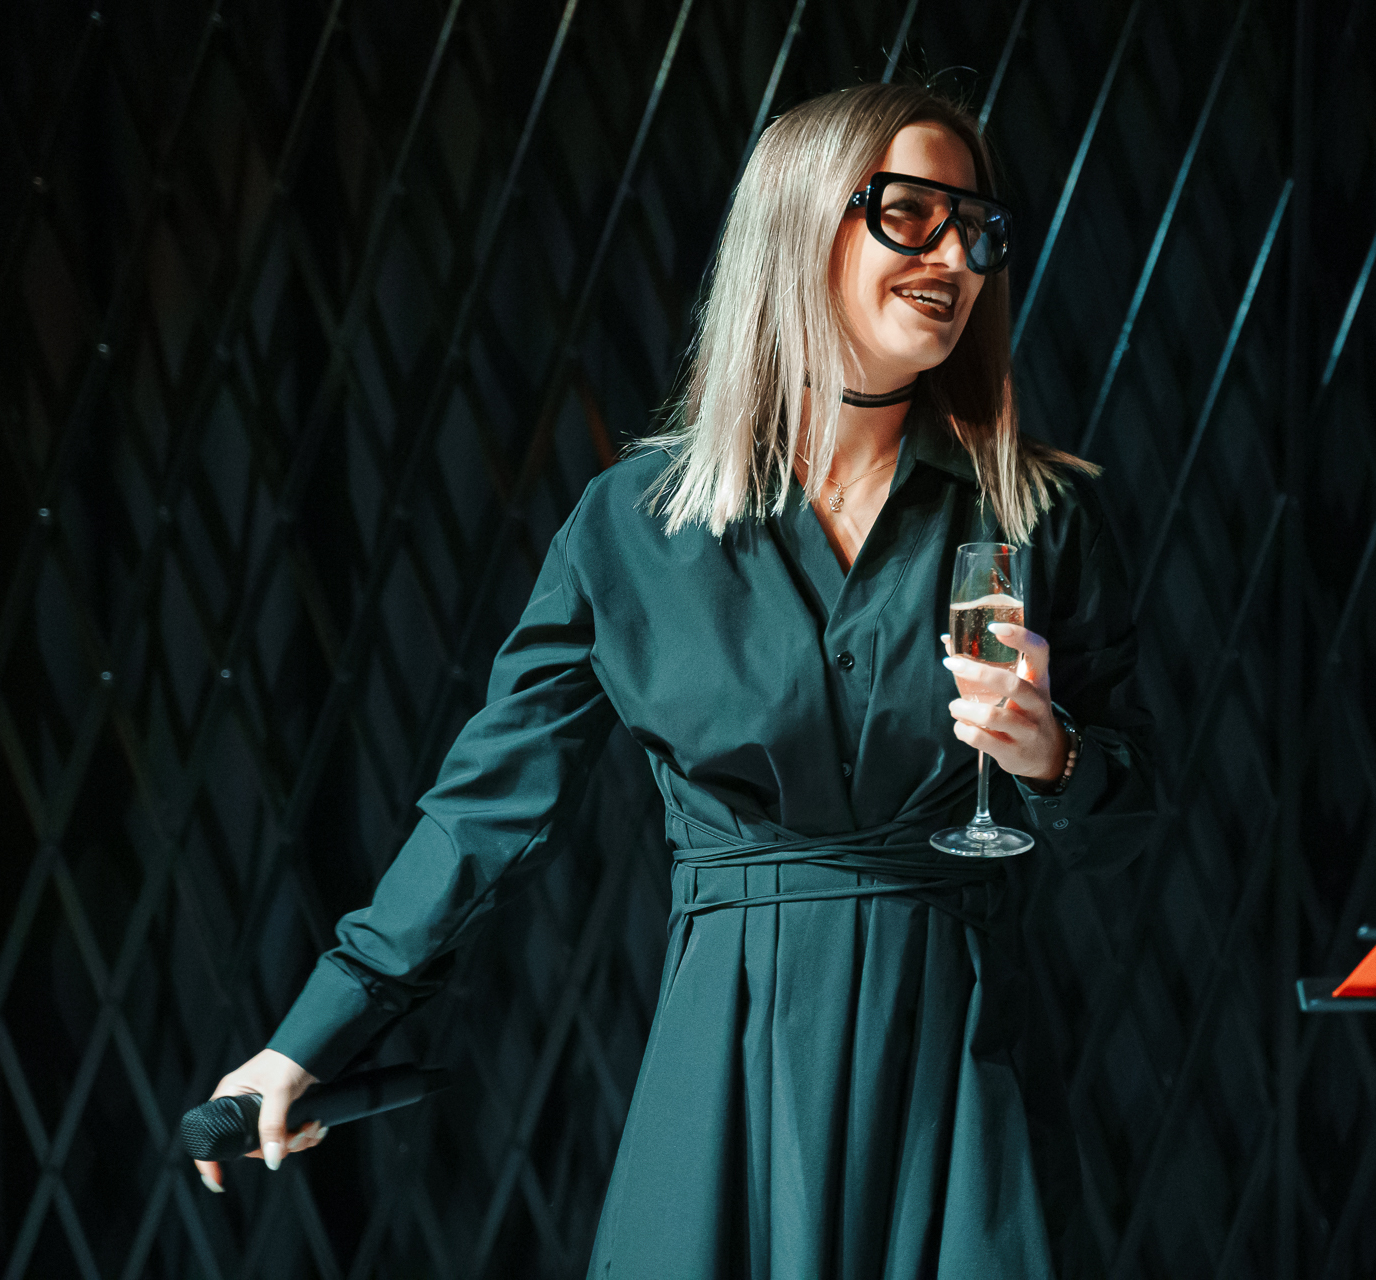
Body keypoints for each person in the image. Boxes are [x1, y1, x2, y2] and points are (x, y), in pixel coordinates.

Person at [194, 81, 1159, 1277]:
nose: (956, 256)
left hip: (957, 1075)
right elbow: (483, 814)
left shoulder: (1039, 517)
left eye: (978, 229)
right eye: (912, 213)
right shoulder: (631, 526)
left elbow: (1127, 822)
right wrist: (308, 1040)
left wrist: (1051, 756)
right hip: (725, 1067)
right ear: (798, 222)